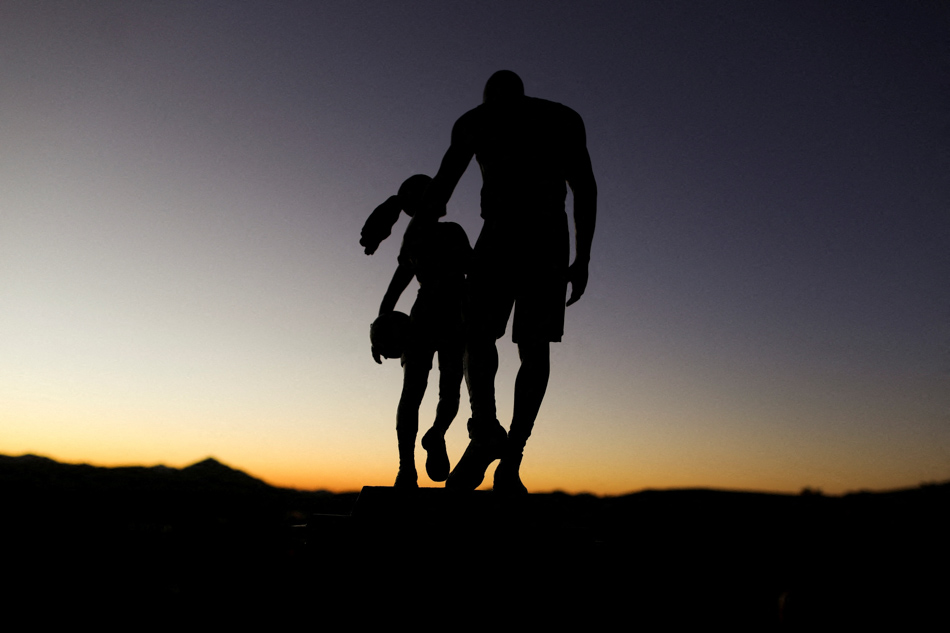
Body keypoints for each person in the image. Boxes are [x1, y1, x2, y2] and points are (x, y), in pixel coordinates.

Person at [420, 70, 597, 493]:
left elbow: (584, 186)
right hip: (516, 236)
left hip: (536, 236)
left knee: (522, 345)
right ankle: (489, 436)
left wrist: (583, 255)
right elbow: (442, 186)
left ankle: (506, 454)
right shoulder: (483, 122)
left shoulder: (548, 119)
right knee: (486, 337)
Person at [363, 175, 473, 489]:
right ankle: (429, 440)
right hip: (450, 316)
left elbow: (393, 292)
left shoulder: (418, 239)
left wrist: (379, 330)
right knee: (444, 392)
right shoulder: (449, 232)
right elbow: (473, 267)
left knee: (415, 393)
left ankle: (408, 466)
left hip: (427, 315)